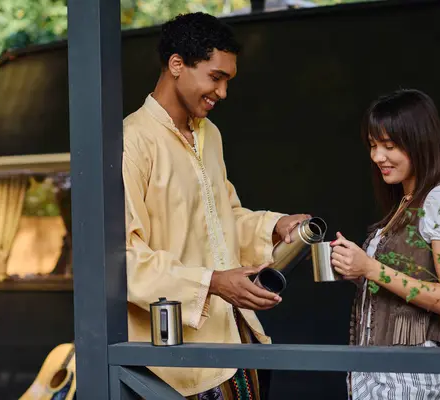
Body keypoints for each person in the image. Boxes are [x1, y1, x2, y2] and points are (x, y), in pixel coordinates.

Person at [122, 12, 310, 400]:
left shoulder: (210, 135)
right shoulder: (132, 142)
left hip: (239, 342)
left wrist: (274, 226)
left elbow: (224, 218)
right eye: (215, 77)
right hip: (179, 365)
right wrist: (213, 284)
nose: (222, 92)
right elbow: (123, 257)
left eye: (227, 80)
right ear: (177, 64)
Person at [329, 89, 440, 399]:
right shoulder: (405, 201)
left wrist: (370, 268)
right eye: (373, 146)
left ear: (419, 142)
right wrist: (356, 271)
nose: (377, 157)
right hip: (372, 370)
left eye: (389, 146)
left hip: (407, 375)